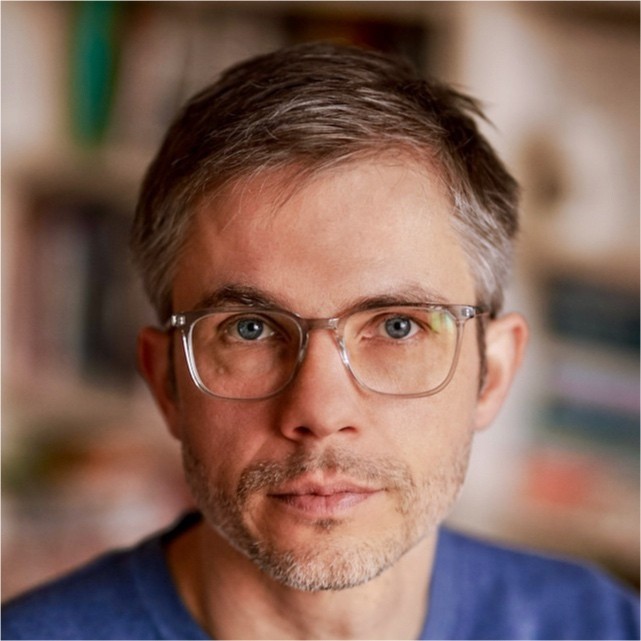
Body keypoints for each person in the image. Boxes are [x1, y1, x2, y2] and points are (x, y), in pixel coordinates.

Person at [3, 42, 639, 641]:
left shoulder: (603, 625)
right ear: (166, 380)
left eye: (398, 326)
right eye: (249, 329)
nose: (320, 412)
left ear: (492, 373)